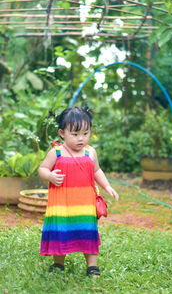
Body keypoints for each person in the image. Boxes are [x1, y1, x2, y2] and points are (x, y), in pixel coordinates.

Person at [38, 106, 119, 277]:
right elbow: (42, 169)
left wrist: (107, 186)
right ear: (62, 133)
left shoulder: (90, 152)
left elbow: (97, 171)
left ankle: (92, 266)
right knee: (61, 231)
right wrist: (50, 176)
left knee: (87, 231)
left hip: (84, 204)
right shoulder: (57, 152)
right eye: (75, 134)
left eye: (85, 133)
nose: (81, 138)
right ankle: (58, 264)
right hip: (62, 204)